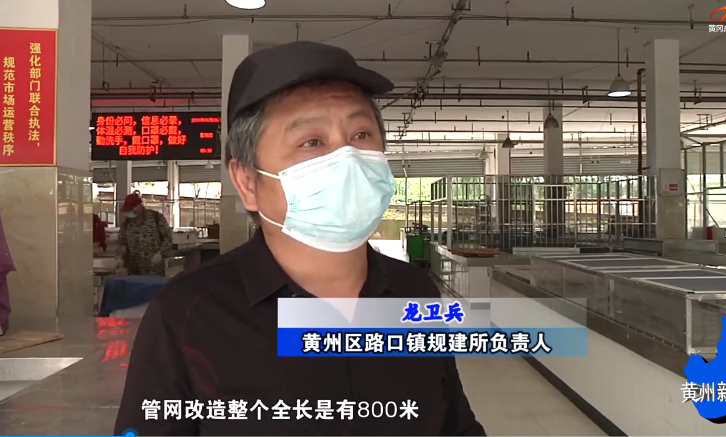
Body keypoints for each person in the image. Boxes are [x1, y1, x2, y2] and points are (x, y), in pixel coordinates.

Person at [115, 41, 484, 436]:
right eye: (312, 142)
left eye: (361, 134)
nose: (347, 158)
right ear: (247, 181)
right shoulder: (187, 314)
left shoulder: (414, 291)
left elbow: (454, 426)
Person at [117, 193, 172, 276]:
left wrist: (161, 254)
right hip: (134, 271)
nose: (130, 212)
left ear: (139, 206)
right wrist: (120, 258)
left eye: (132, 208)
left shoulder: (156, 218)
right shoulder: (127, 223)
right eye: (128, 210)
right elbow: (123, 243)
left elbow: (168, 238)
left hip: (154, 270)